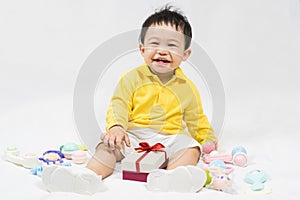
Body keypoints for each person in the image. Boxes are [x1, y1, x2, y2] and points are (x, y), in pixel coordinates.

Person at [42, 5, 218, 194]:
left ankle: (172, 178)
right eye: (155, 43)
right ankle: (88, 177)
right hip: (133, 135)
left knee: (191, 148)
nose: (162, 51)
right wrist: (116, 127)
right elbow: (119, 104)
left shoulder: (188, 88)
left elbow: (196, 118)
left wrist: (207, 139)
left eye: (172, 45)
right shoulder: (131, 79)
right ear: (142, 49)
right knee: (107, 147)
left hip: (170, 138)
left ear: (185, 54)